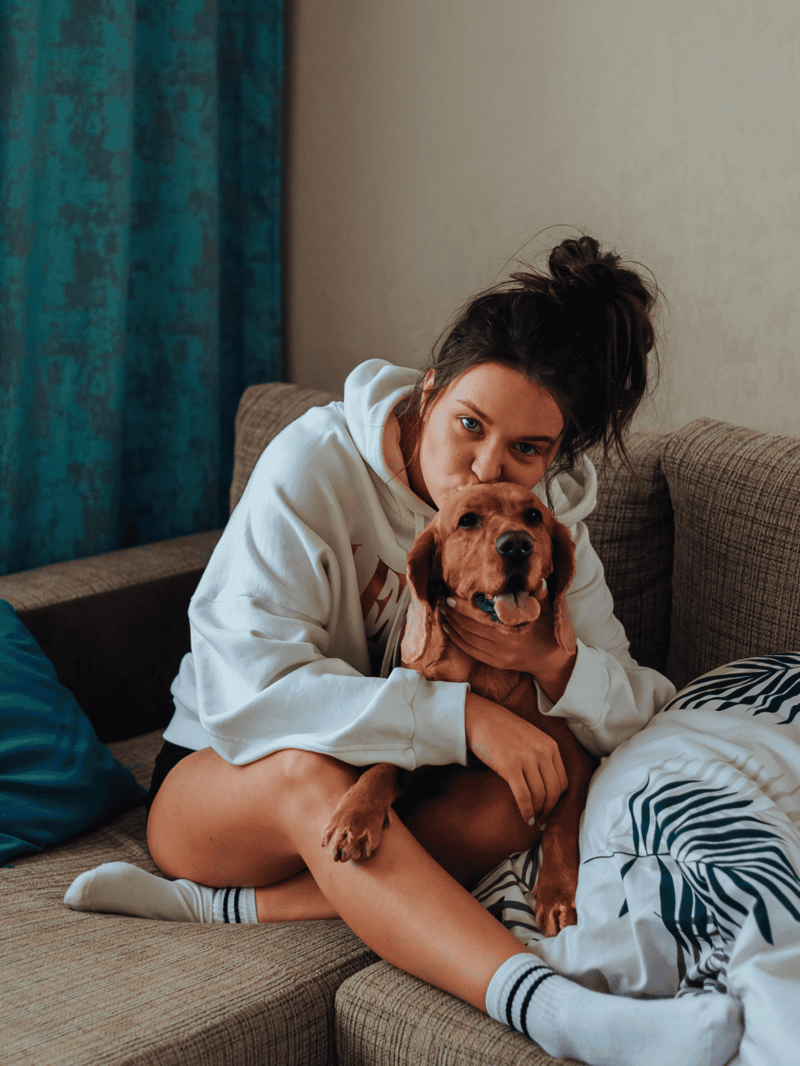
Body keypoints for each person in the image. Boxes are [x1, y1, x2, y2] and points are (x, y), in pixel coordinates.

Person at [65, 235, 743, 1066]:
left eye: (527, 450)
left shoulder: (546, 528)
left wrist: (552, 667)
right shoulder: (313, 465)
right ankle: (555, 1009)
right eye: (469, 425)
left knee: (526, 794)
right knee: (309, 776)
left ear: (554, 458)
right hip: (223, 781)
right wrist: (460, 719)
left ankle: (237, 911)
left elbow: (639, 703)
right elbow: (250, 695)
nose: (485, 467)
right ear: (430, 391)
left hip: (390, 796)